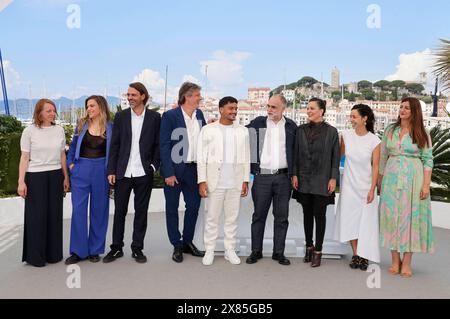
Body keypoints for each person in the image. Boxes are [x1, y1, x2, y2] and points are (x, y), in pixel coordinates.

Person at [103, 82, 161, 264]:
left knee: (141, 212)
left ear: (143, 96)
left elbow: (158, 145)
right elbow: (114, 145)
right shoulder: (120, 117)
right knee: (119, 212)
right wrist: (111, 169)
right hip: (123, 172)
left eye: (133, 95)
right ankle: (116, 248)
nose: (129, 98)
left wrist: (153, 167)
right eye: (128, 95)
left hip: (144, 172)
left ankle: (137, 248)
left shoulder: (154, 118)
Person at [378, 97, 434, 278]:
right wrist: (380, 181)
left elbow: (428, 160)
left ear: (414, 111)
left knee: (411, 220)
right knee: (391, 217)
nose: (402, 110)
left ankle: (407, 262)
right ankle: (395, 260)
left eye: (407, 108)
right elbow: (383, 157)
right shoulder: (390, 130)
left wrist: (426, 185)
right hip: (391, 180)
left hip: (414, 180)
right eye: (401, 107)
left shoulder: (422, 133)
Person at [197, 96, 250, 266]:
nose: (234, 111)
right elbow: (201, 158)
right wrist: (202, 181)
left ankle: (230, 250)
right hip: (215, 182)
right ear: (221, 109)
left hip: (234, 182)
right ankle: (210, 250)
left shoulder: (243, 131)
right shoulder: (208, 129)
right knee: (212, 218)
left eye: (236, 108)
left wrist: (245, 180)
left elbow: (246, 157)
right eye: (230, 108)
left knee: (232, 219)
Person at [245, 94, 297, 266]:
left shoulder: (291, 127)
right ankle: (256, 251)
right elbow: (238, 134)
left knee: (281, 217)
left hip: (284, 178)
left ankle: (278, 253)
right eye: (268, 106)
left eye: (273, 107)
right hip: (262, 178)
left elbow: (296, 153)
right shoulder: (257, 123)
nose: (269, 110)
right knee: (258, 216)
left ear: (283, 108)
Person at [18, 99, 69, 267]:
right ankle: (35, 257)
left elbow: (62, 156)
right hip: (35, 177)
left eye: (54, 110)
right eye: (48, 110)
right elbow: (24, 158)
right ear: (39, 112)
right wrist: (21, 182)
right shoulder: (29, 131)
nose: (52, 113)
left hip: (55, 176)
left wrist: (65, 177)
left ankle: (54, 255)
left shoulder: (59, 130)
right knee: (37, 217)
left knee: (54, 216)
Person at [160, 82, 206, 263]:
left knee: (193, 207)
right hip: (175, 170)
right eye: (197, 95)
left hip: (194, 170)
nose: (200, 98)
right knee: (172, 208)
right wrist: (168, 173)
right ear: (187, 96)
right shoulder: (170, 116)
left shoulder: (199, 115)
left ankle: (187, 242)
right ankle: (176, 244)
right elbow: (164, 145)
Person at [292, 97, 339, 268]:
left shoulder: (332, 132)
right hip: (304, 178)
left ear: (322, 111)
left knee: (319, 216)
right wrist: (295, 175)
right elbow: (295, 154)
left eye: (312, 108)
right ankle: (308, 247)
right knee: (306, 214)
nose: (309, 111)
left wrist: (333, 178)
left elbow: (336, 157)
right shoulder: (300, 130)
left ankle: (318, 251)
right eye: (308, 108)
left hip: (323, 180)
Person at [65, 95, 113, 264]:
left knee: (99, 211)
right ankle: (78, 251)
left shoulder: (111, 127)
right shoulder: (81, 125)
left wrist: (111, 171)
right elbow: (72, 148)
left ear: (101, 106)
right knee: (78, 210)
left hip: (102, 171)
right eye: (87, 106)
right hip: (81, 170)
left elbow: (114, 152)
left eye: (92, 106)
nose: (89, 109)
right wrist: (71, 165)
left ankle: (95, 249)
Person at [333, 104, 381, 270]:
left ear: (364, 118)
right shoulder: (345, 136)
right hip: (349, 186)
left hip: (366, 187)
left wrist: (372, 189)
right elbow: (338, 157)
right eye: (350, 116)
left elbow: (375, 166)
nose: (351, 120)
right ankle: (355, 254)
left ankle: (364, 254)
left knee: (365, 222)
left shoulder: (375, 141)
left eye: (354, 117)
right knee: (350, 220)